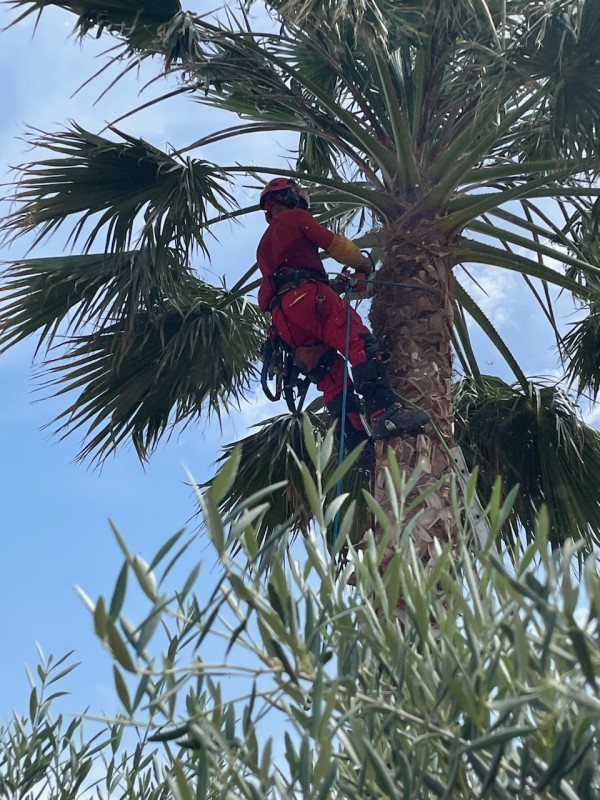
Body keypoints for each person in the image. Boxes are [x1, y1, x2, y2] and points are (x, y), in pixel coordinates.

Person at [256, 177, 429, 447]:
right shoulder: (295, 218)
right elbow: (335, 245)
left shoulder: (264, 245)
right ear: (290, 198)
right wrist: (363, 265)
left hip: (284, 322)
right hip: (308, 298)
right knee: (358, 342)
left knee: (331, 376)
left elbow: (285, 281)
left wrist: (334, 286)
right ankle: (384, 413)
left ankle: (356, 445)